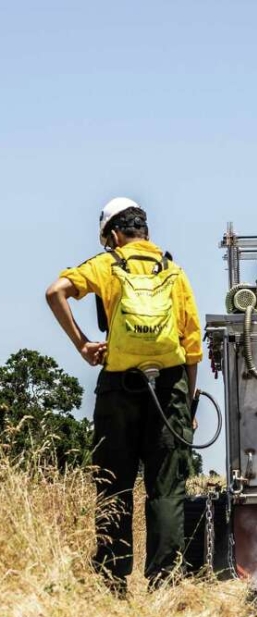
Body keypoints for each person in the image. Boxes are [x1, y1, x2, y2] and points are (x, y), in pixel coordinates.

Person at [45, 197, 202, 594]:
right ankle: (164, 583)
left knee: (113, 484)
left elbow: (54, 292)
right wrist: (188, 400)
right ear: (145, 232)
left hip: (118, 389)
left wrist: (83, 344)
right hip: (168, 389)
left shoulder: (107, 265)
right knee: (166, 489)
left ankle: (112, 582)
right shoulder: (174, 272)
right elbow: (192, 343)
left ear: (114, 235)